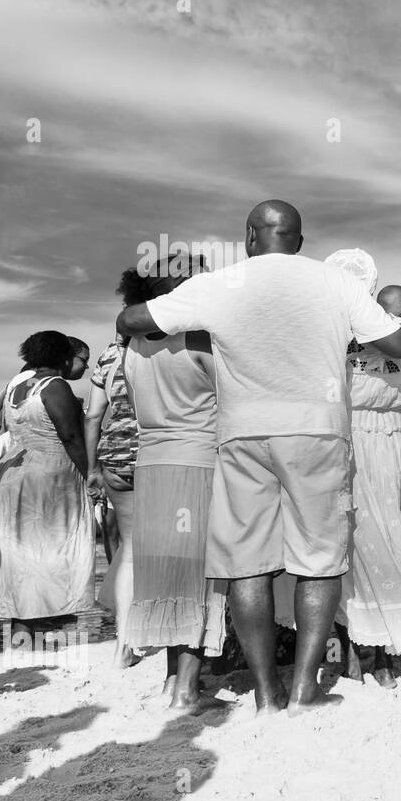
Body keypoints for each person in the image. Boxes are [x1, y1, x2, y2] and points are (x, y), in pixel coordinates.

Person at [116, 200, 401, 713]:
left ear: (249, 238)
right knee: (320, 560)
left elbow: (130, 318)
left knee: (246, 565)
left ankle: (266, 693)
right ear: (300, 242)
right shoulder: (333, 282)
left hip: (241, 435)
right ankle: (305, 687)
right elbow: (395, 342)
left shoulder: (220, 284)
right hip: (318, 431)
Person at [275, 255, 401, 687]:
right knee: (354, 544)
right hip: (352, 438)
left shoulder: (395, 332)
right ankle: (361, 650)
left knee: (382, 544)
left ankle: (376, 651)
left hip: (387, 443)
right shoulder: (338, 329)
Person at [119, 253, 229, 711]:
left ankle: (172, 680)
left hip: (151, 463)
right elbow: (232, 400)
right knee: (199, 574)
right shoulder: (200, 339)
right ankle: (187, 686)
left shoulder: (132, 344)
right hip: (198, 460)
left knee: (164, 571)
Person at [0, 332, 95, 625]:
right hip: (50, 475)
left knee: (21, 552)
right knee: (54, 548)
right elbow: (71, 437)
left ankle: (24, 622)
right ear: (63, 356)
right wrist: (91, 474)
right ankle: (49, 620)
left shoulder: (16, 385)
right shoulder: (56, 386)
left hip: (14, 472)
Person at [85, 331, 140, 668]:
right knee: (176, 546)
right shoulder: (163, 348)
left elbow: (93, 415)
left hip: (115, 457)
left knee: (131, 551)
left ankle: (123, 645)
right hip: (160, 453)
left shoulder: (107, 356)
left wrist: (92, 467)